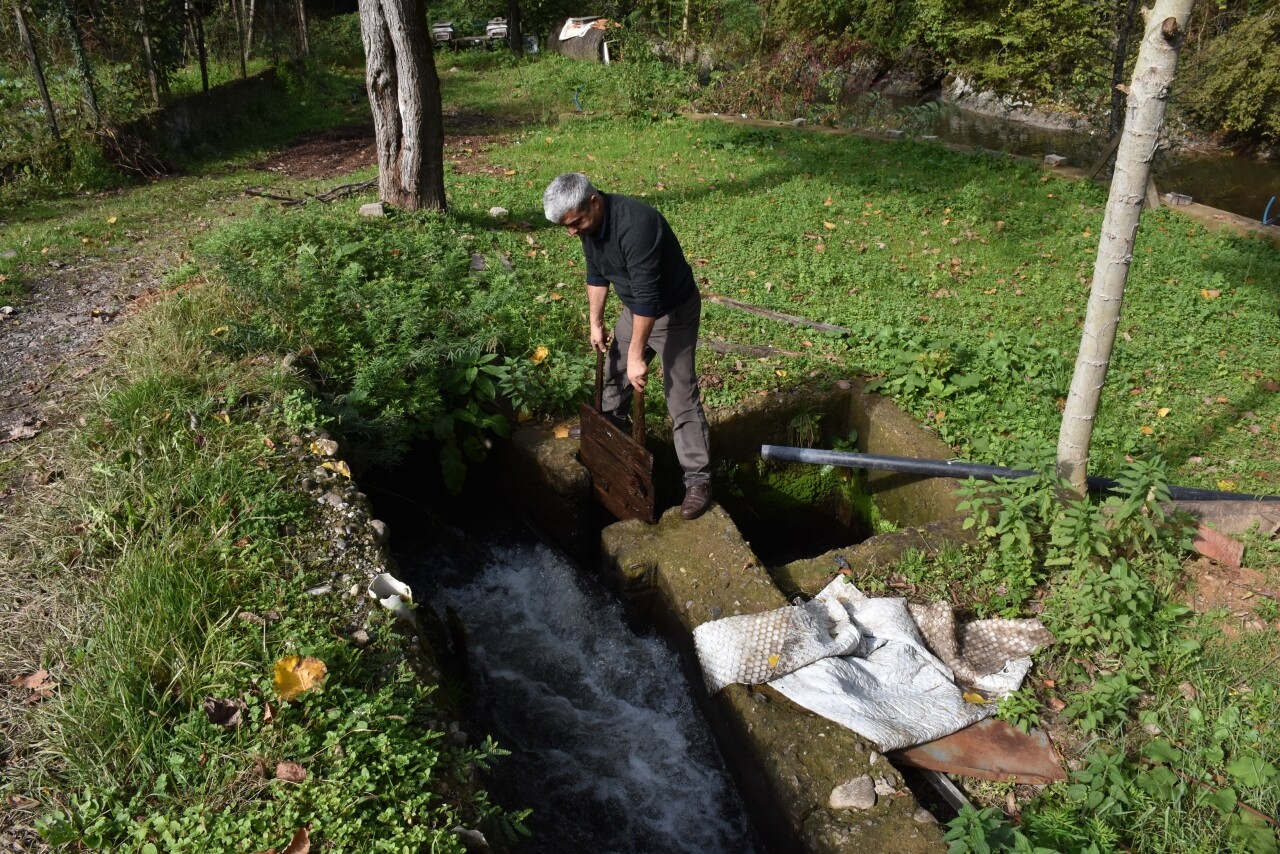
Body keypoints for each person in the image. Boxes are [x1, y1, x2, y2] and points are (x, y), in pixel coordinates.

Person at [543, 172, 712, 521]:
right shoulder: (590, 226)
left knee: (680, 395)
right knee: (615, 371)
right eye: (566, 226)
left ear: (594, 202)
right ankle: (609, 429)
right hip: (636, 308)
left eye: (574, 223)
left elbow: (649, 297)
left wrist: (638, 356)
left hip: (672, 311)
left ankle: (698, 479)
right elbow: (596, 274)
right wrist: (596, 322)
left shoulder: (637, 225)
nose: (571, 232)